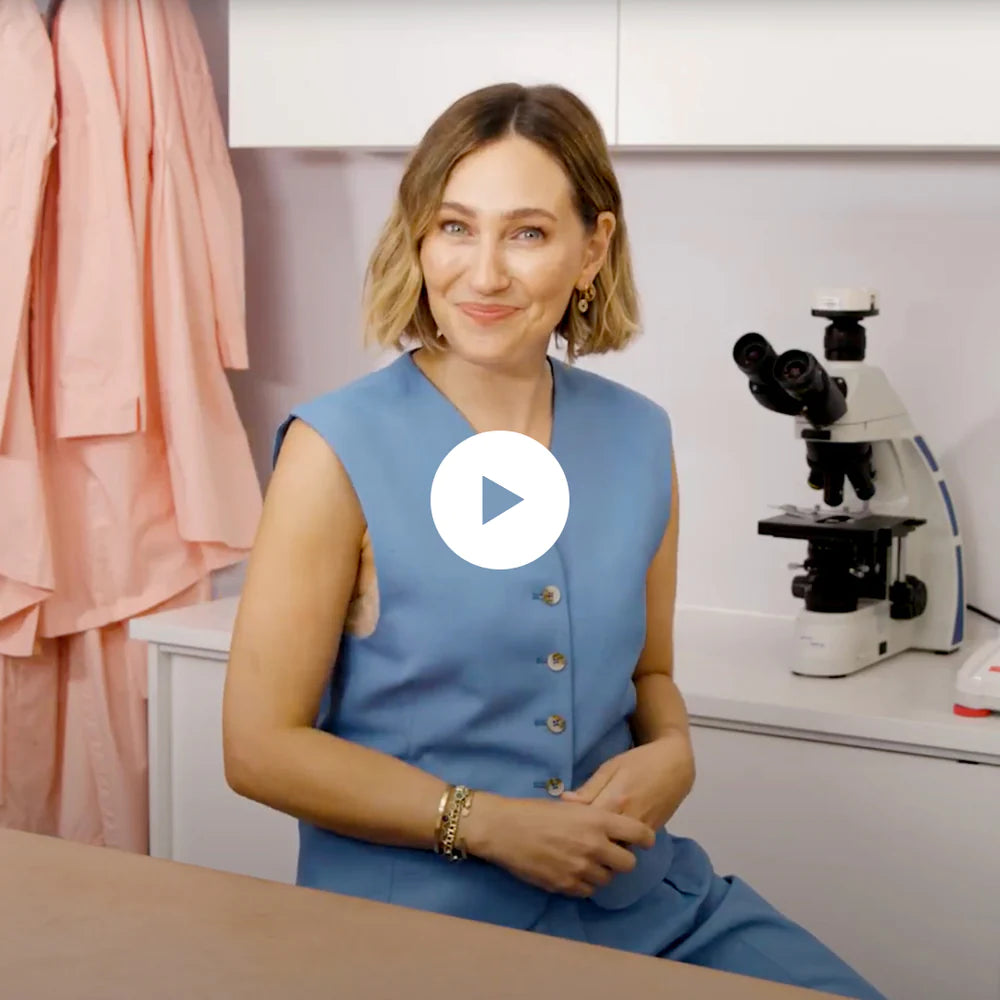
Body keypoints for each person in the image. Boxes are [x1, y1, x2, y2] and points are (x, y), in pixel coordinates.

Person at [222, 82, 886, 1000]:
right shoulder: (336, 448)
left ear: (592, 248)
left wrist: (675, 748)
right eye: (455, 227)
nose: (484, 274)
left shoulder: (638, 435)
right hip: (416, 923)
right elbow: (259, 746)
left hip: (641, 901)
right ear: (417, 239)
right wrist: (482, 824)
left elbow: (650, 675)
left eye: (526, 233)